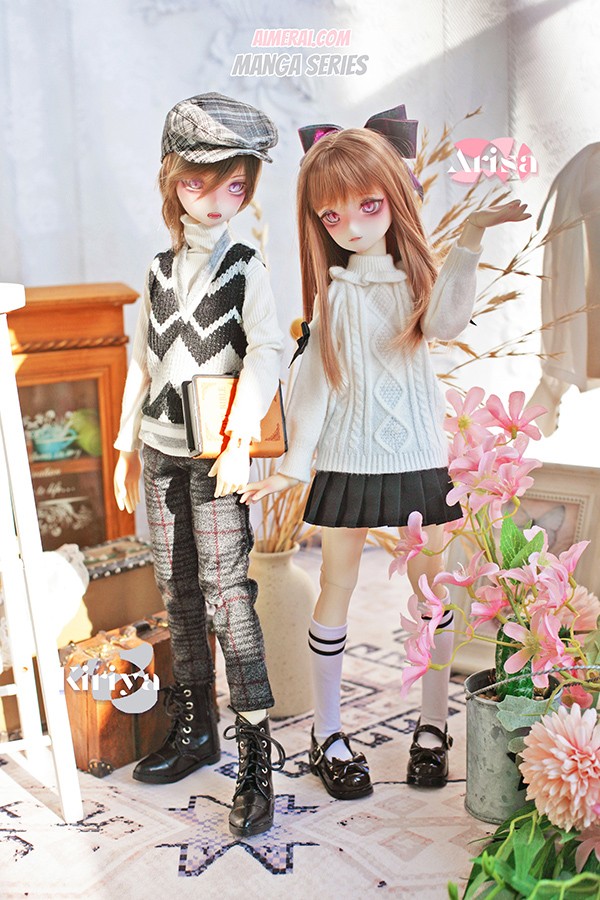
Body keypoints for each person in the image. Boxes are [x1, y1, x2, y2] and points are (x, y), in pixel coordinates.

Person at [241, 111, 529, 799]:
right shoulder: (334, 297)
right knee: (337, 584)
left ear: (396, 199)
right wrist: (294, 465)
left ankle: (433, 725)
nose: (350, 225)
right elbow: (313, 387)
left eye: (368, 206)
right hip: (347, 459)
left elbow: (448, 322)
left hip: (418, 456)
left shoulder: (412, 282)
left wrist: (470, 238)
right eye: (332, 215)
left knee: (432, 591)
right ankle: (328, 732)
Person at [113, 92, 285, 837]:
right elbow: (142, 362)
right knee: (176, 591)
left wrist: (242, 433)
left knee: (226, 595)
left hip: (217, 456)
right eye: (198, 182)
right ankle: (196, 728)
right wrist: (124, 450)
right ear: (171, 179)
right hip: (159, 451)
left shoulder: (246, 267)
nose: (216, 201)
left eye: (234, 186)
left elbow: (270, 348)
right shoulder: (156, 270)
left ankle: (255, 755)